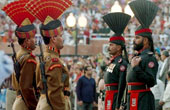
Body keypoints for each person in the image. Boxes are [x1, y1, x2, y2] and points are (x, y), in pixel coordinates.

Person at [24, 0, 72, 109]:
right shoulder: (53, 60)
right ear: (54, 39)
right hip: (52, 105)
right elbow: (54, 92)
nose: (62, 38)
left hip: (45, 103)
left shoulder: (46, 56)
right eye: (61, 35)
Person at [2, 1, 38, 110]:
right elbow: (26, 88)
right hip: (24, 103)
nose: (35, 40)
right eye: (33, 38)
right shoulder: (28, 59)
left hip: (18, 99)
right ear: (26, 41)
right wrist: (35, 106)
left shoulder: (19, 54)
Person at [127, 0, 159, 110]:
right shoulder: (137, 57)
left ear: (145, 40)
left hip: (143, 99)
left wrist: (136, 68)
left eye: (137, 38)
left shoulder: (150, 58)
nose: (134, 41)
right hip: (131, 97)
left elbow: (151, 81)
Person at [103, 12, 131, 110]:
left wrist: (120, 104)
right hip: (109, 96)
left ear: (119, 47)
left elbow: (122, 86)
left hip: (115, 97)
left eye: (111, 45)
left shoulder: (122, 64)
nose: (109, 47)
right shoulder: (113, 62)